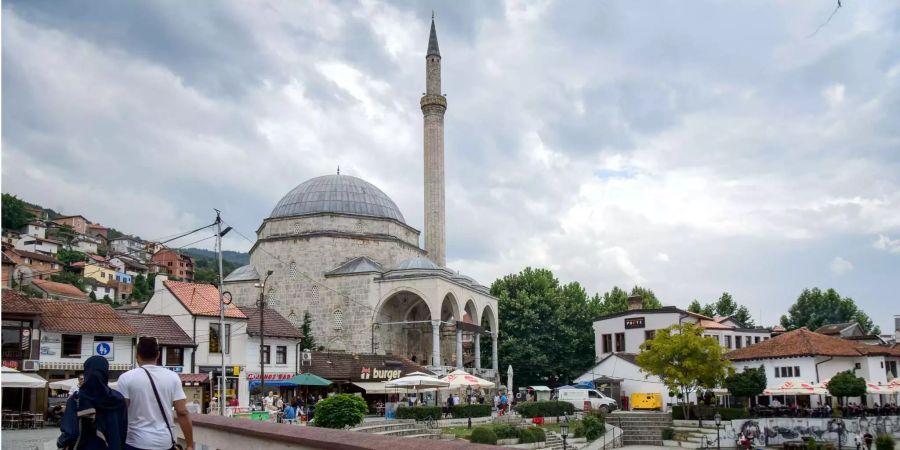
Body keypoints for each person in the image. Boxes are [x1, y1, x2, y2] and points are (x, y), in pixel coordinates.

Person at [116, 336, 194, 450]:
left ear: (137, 356)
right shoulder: (172, 377)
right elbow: (182, 412)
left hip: (135, 442)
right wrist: (190, 445)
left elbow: (121, 412)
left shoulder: (126, 378)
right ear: (158, 355)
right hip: (165, 442)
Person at [57, 356, 128, 450]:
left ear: (86, 372)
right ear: (105, 372)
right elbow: (123, 431)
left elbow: (71, 434)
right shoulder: (118, 399)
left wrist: (60, 442)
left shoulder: (76, 399)